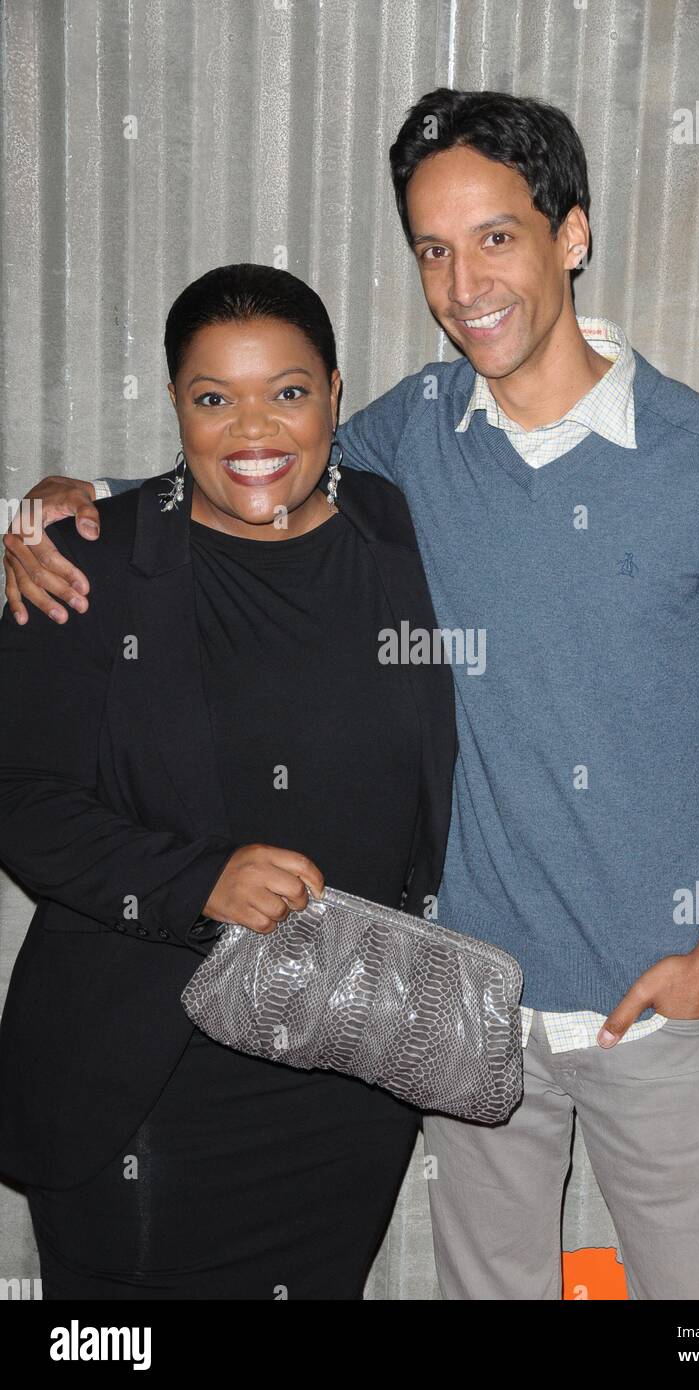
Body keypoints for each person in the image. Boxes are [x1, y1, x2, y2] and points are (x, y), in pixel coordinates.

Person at [5, 89, 699, 1301]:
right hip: (459, 1006)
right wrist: (67, 503)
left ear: (571, 234)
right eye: (432, 250)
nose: (464, 285)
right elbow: (250, 455)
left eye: (496, 237)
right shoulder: (409, 434)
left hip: (659, 1005)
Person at [0, 262, 456, 1299]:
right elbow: (17, 790)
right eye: (215, 397)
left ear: (335, 394)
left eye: (287, 391)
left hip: (344, 1074)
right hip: (151, 1079)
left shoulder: (393, 533)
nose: (254, 428)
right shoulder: (88, 564)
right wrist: (192, 877)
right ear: (176, 405)